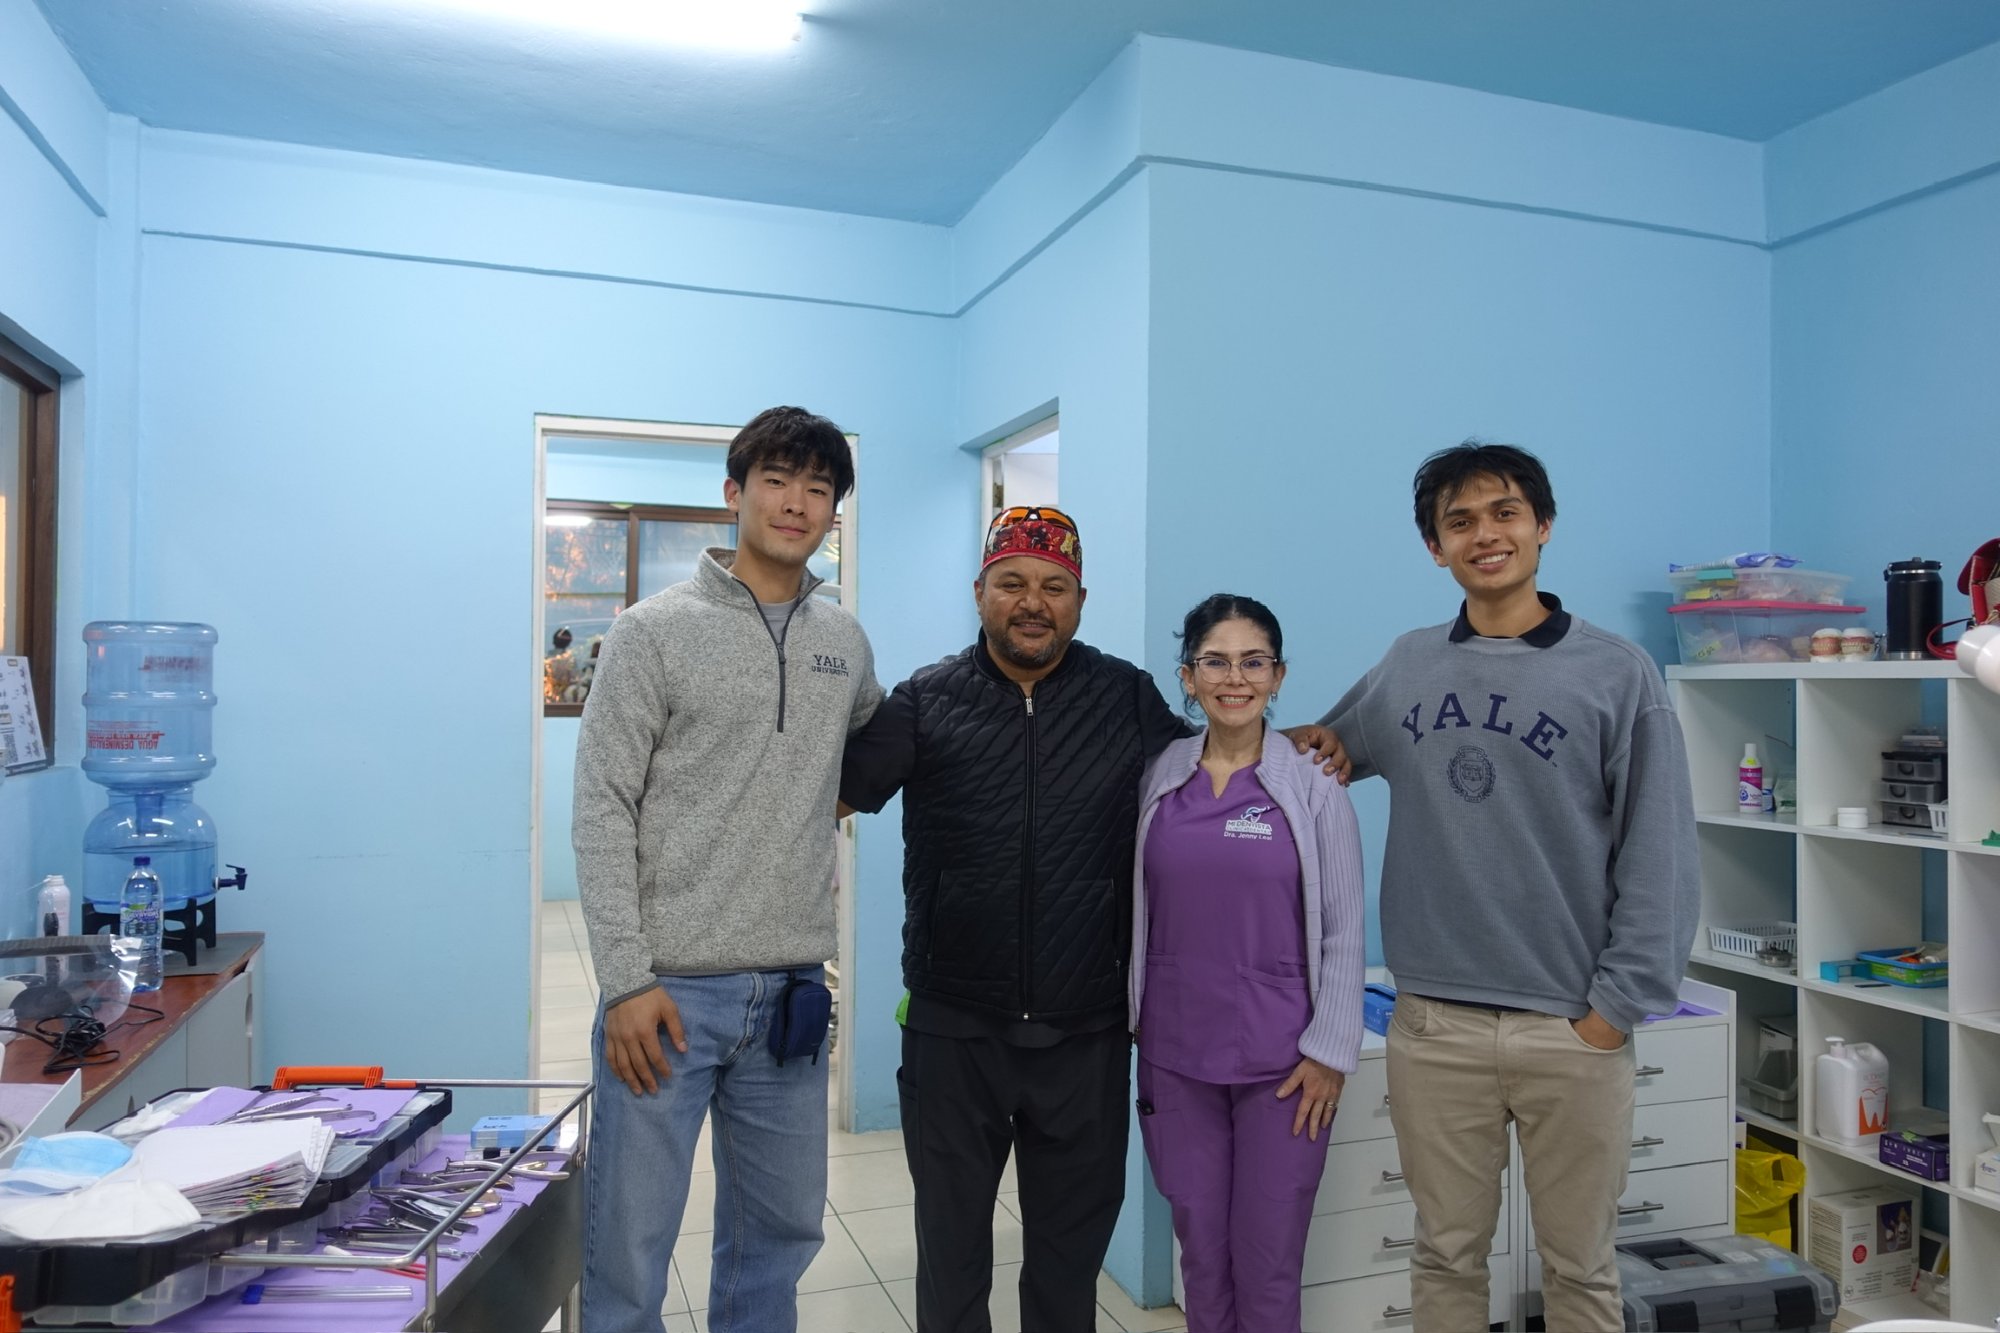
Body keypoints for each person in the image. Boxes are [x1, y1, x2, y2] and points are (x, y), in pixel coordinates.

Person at [1308, 441, 1698, 1333]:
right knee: (1445, 1255)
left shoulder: (1617, 671)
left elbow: (1662, 851)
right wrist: (1214, 726)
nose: (1485, 534)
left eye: (1505, 512)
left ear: (1542, 525)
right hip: (1434, 1026)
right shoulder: (1408, 663)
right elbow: (1322, 750)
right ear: (1435, 547)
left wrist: (1613, 1012)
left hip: (1571, 1025)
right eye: (1460, 521)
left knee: (1581, 1269)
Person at [839, 506, 1191, 1333]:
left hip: (1086, 1031)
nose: (1033, 602)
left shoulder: (1126, 696)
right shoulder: (925, 700)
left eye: (1054, 586)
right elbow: (828, 794)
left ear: (1080, 600)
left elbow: (1214, 778)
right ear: (980, 592)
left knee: (1067, 1269)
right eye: (1012, 583)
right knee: (951, 1258)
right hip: (953, 1033)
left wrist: (1305, 754)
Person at [573, 406, 882, 1332]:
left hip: (791, 996)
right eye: (776, 480)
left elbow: (871, 750)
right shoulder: (653, 632)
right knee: (629, 1252)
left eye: (818, 488)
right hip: (665, 999)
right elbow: (602, 806)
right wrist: (625, 980)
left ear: (833, 511)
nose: (796, 502)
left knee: (777, 1243)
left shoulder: (844, 642)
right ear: (734, 493)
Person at [1131, 593, 1366, 1333]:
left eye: (1253, 662)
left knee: (1267, 1262)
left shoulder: (1314, 784)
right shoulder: (1160, 775)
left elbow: (1345, 929)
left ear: (1278, 675)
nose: (1235, 678)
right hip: (1174, 1055)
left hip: (1286, 1069)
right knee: (1202, 1256)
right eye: (1215, 662)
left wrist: (1331, 1052)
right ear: (1187, 676)